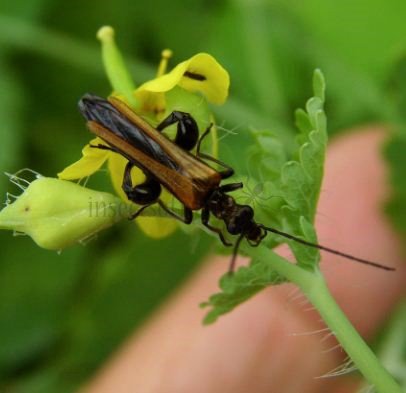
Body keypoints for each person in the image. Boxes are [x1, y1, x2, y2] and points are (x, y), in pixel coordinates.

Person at [82, 129, 405, 393]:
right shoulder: (201, 196)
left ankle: (125, 146)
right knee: (145, 168)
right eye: (241, 216)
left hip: (161, 155)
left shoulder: (206, 186)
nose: (240, 218)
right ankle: (125, 147)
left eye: (240, 219)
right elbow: (208, 222)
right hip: (150, 147)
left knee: (144, 175)